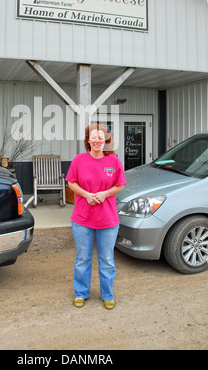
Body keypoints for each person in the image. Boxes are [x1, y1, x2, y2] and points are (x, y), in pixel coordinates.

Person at [66, 123, 126, 310]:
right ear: (88, 141)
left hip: (108, 219)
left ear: (106, 140)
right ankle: (81, 292)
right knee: (83, 258)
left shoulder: (114, 161)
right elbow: (71, 183)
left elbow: (120, 185)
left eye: (101, 137)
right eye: (94, 137)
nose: (97, 141)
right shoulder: (79, 160)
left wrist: (104, 194)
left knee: (107, 259)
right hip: (82, 218)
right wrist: (86, 194)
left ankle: (107, 294)